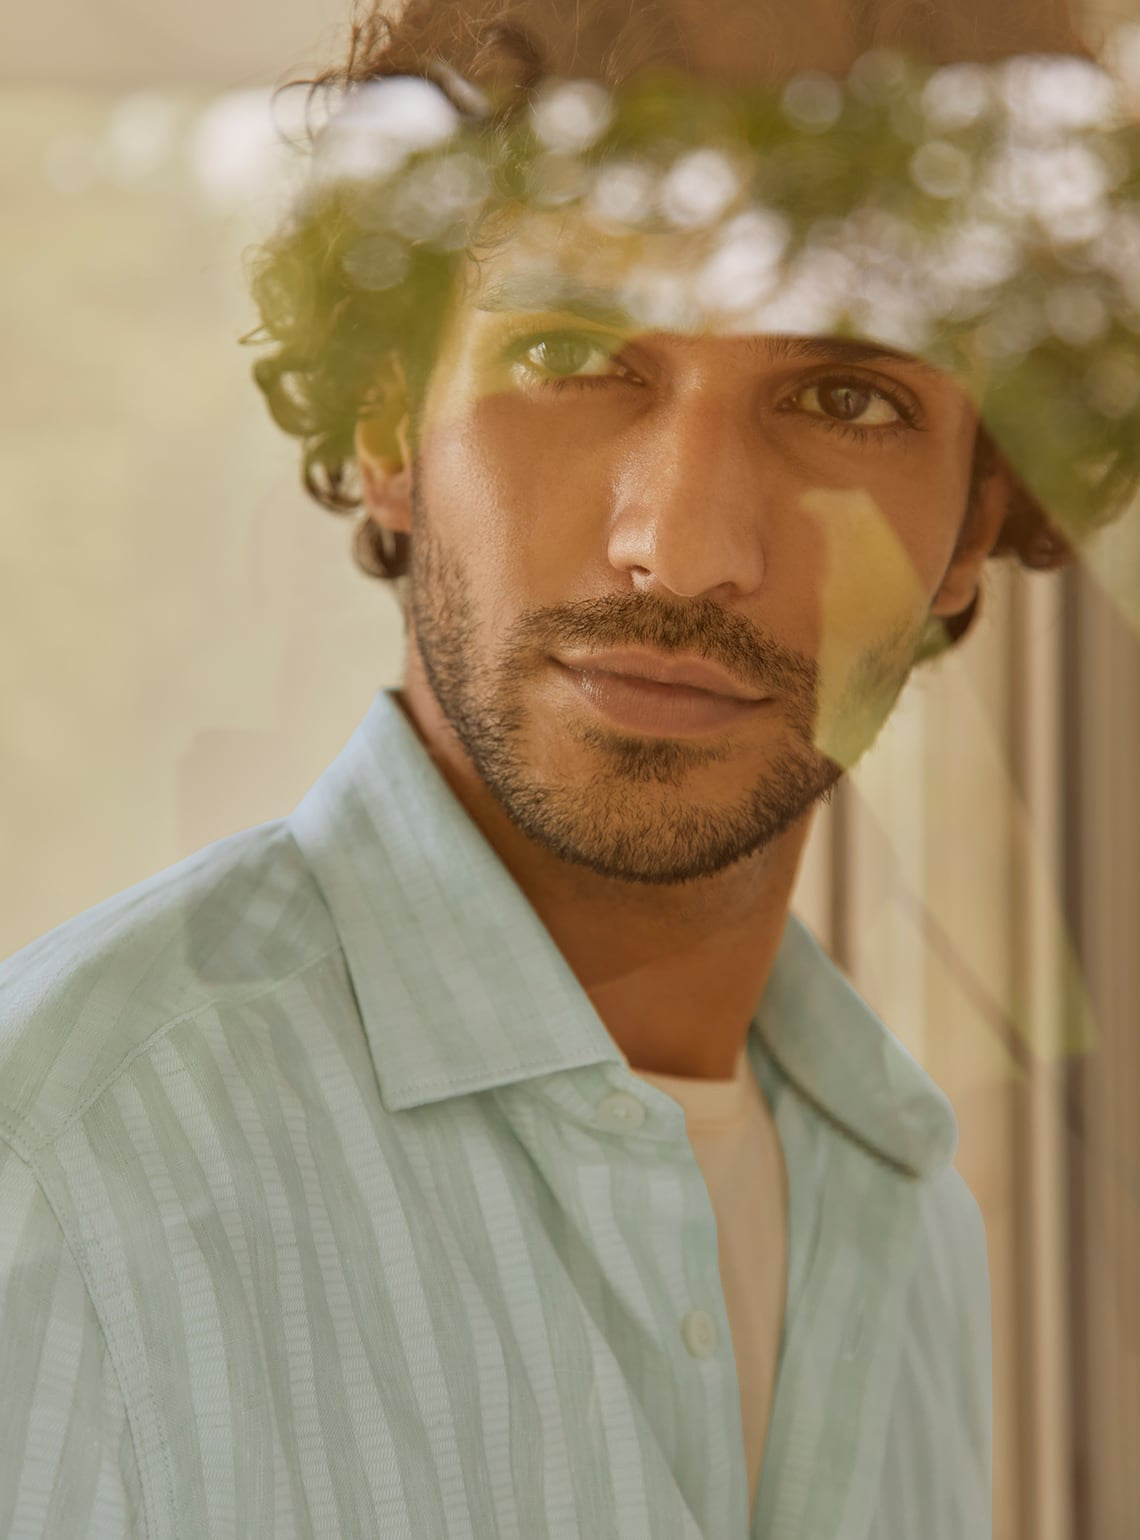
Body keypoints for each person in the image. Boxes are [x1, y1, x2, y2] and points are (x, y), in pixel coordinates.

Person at [3, 0, 1135, 1535]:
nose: (684, 544)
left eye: (846, 398)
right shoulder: (58, 1172)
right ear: (391, 429)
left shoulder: (911, 1215)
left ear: (974, 519)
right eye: (570, 352)